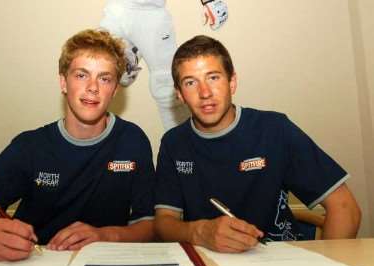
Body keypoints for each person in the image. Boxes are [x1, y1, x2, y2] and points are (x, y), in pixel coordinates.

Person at [0, 29, 156, 261]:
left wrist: (105, 236)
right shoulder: (30, 147)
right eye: (81, 75)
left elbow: (149, 225)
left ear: (115, 90)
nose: (92, 87)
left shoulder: (132, 141)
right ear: (63, 82)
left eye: (104, 78)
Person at [154, 35, 361, 253]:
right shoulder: (173, 143)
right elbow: (164, 222)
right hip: (211, 265)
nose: (205, 93)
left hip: (282, 263)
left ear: (232, 82)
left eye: (213, 78)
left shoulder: (275, 129)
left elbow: (345, 208)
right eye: (190, 82)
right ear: (179, 94)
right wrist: (198, 232)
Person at [99, 0, 228, 130]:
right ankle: (130, 58)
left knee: (166, 84)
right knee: (100, 66)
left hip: (152, 15)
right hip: (116, 10)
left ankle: (182, 144)